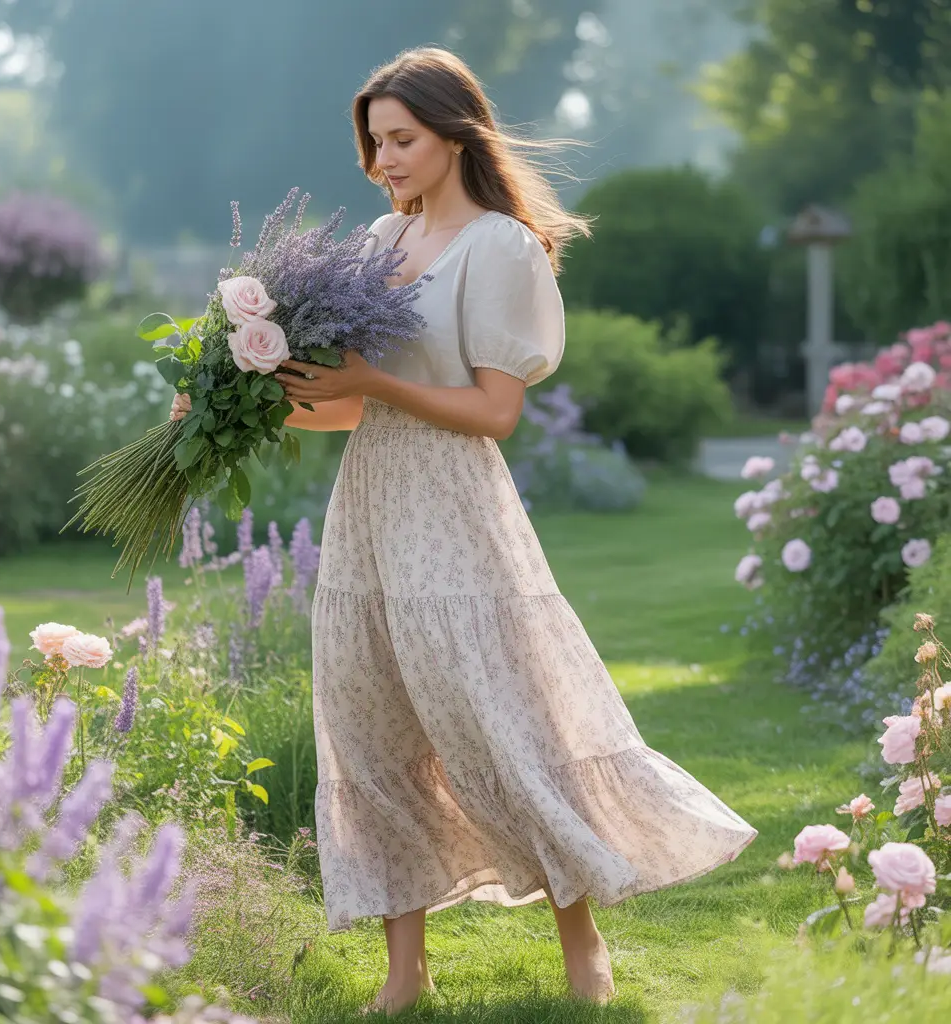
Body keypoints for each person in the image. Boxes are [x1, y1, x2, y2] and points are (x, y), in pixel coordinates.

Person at [174, 45, 758, 1018]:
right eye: (374, 143)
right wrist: (239, 403)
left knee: (499, 718)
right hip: (369, 506)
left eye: (401, 139)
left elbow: (493, 411)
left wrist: (371, 380)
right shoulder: (378, 240)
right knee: (371, 726)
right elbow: (350, 407)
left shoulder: (500, 248)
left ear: (455, 135)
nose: (384, 160)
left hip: (454, 509)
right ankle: (405, 973)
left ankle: (581, 939)